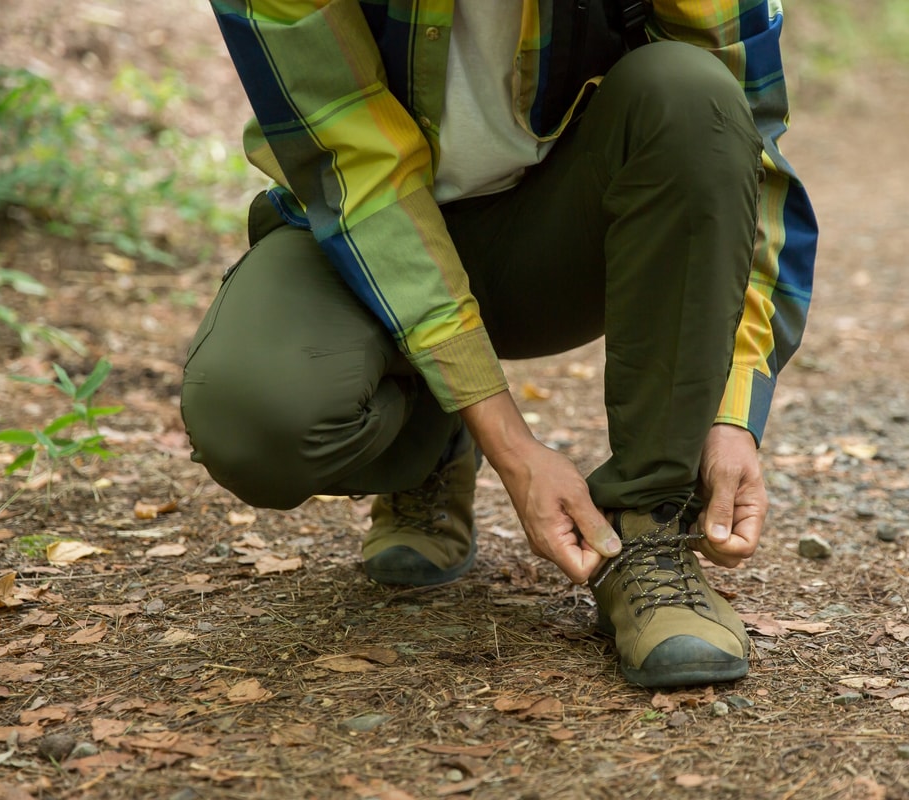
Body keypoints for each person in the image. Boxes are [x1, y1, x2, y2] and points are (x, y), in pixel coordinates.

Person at [184, 0, 816, 688]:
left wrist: (730, 413)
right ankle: (429, 440)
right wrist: (508, 443)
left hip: (558, 234)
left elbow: (745, 147)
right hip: (361, 238)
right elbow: (354, 170)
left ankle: (651, 527)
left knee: (692, 94)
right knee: (253, 414)